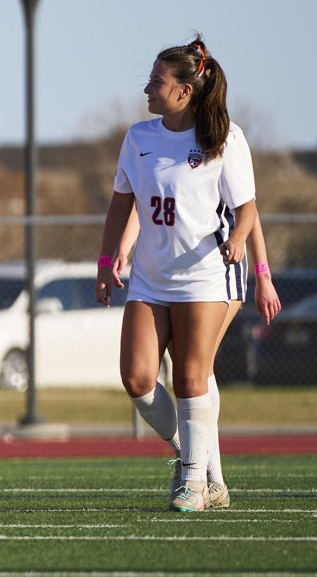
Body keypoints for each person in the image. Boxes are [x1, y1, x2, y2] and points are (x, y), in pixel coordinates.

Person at [96, 35, 259, 513]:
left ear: (185, 90)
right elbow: (120, 206)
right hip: (149, 277)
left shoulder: (224, 137)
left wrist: (238, 241)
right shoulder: (138, 137)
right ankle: (197, 456)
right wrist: (106, 263)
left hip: (203, 277)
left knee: (191, 378)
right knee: (138, 378)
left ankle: (192, 480)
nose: (147, 88)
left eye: (156, 81)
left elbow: (247, 210)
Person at [111, 210, 280, 509]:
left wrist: (263, 274)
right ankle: (199, 468)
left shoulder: (222, 160)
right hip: (169, 275)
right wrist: (121, 249)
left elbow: (248, 208)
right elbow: (139, 205)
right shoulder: (148, 161)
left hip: (216, 270)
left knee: (196, 369)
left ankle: (206, 478)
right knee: (187, 369)